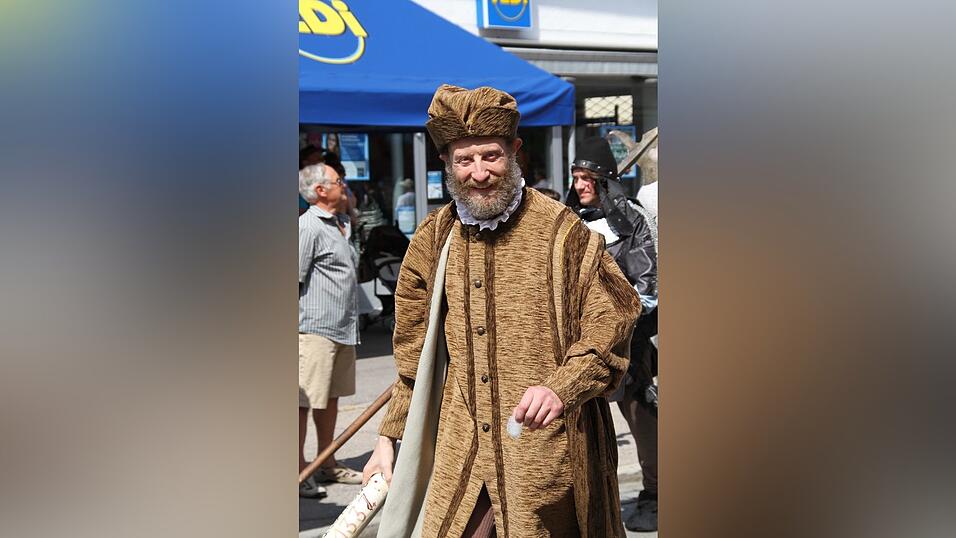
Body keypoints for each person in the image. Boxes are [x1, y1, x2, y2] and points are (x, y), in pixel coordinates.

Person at [363, 84, 642, 537]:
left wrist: (562, 386)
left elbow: (614, 314)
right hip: (461, 446)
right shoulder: (433, 239)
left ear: (514, 151)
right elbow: (414, 356)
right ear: (447, 163)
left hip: (546, 449)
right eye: (464, 160)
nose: (478, 173)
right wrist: (388, 436)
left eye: (490, 156)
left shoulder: (563, 231)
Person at [566, 136, 659, 532]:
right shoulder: (566, 222)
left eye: (588, 177)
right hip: (578, 347)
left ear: (605, 181)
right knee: (581, 427)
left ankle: (657, 495)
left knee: (642, 419)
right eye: (576, 177)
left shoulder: (632, 220)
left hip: (631, 344)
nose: (581, 185)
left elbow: (649, 287)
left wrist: (614, 320)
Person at [298, 163, 364, 498]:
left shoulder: (341, 223)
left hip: (342, 328)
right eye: (339, 181)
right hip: (314, 330)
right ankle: (298, 470)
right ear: (321, 190)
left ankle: (327, 462)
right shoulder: (308, 226)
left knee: (330, 399)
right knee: (302, 401)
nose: (345, 185)